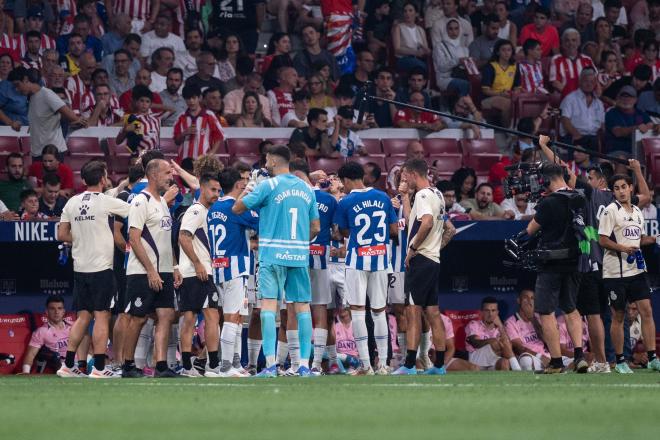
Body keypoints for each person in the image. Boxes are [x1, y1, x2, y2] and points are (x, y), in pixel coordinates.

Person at [233, 145, 320, 377]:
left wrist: (248, 187)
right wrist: (300, 243)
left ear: (272, 161)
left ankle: (270, 366)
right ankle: (303, 365)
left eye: (266, 160)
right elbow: (316, 227)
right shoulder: (306, 188)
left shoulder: (267, 185)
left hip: (272, 255)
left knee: (269, 307)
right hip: (299, 255)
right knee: (302, 308)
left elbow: (237, 208)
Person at [56, 161, 131, 378]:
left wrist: (81, 239)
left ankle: (68, 365)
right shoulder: (107, 201)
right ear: (102, 179)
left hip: (80, 268)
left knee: (83, 317)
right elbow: (137, 210)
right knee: (101, 316)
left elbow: (61, 234)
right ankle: (99, 367)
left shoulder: (71, 202)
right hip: (101, 269)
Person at [525, 146, 589, 374]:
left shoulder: (548, 202)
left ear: (545, 181)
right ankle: (579, 356)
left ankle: (556, 361)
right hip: (575, 262)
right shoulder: (580, 197)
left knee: (546, 312)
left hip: (551, 263)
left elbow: (530, 230)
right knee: (571, 308)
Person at [333, 161, 398, 375]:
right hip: (380, 259)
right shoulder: (383, 197)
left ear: (346, 180)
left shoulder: (346, 201)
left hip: (357, 260)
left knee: (358, 312)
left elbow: (342, 232)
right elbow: (393, 229)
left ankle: (365, 364)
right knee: (379, 312)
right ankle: (384, 364)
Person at [392, 159, 453, 376]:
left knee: (413, 312)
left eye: (404, 174)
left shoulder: (424, 194)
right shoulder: (435, 194)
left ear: (411, 173)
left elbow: (426, 222)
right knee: (433, 313)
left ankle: (409, 365)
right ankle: (439, 366)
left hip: (420, 260)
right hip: (433, 259)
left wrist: (412, 249)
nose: (403, 178)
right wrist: (406, 196)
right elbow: (412, 221)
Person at [122, 158, 181, 378]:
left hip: (164, 270)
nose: (170, 177)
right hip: (142, 271)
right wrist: (151, 270)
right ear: (154, 175)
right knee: (138, 317)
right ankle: (127, 365)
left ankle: (162, 365)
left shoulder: (162, 202)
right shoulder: (140, 201)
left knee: (166, 314)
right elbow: (134, 239)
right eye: (167, 173)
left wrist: (174, 266)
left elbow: (166, 239)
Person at [598, 174, 660, 373]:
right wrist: (623, 249)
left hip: (637, 270)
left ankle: (652, 358)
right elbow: (603, 240)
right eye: (616, 188)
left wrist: (653, 239)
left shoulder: (637, 212)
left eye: (624, 186)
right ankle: (620, 360)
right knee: (618, 316)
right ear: (614, 192)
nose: (621, 191)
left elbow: (638, 239)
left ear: (630, 188)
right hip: (615, 272)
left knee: (647, 311)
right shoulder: (610, 211)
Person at [289, 160, 340, 375]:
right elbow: (338, 232)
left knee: (293, 310)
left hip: (295, 258)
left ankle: (293, 365)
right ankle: (316, 365)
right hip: (320, 258)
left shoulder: (292, 197)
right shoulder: (329, 200)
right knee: (320, 310)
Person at [207, 168, 259, 376]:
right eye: (244, 182)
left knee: (235, 317)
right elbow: (260, 223)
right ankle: (226, 366)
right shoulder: (235, 208)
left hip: (219, 266)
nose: (246, 184)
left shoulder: (214, 208)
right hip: (235, 266)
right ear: (238, 185)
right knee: (231, 317)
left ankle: (235, 363)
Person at [177, 173, 222, 377]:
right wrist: (197, 264)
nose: (216, 194)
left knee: (192, 318)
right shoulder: (196, 210)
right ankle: (212, 364)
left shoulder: (205, 211)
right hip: (197, 272)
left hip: (196, 272)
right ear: (202, 189)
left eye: (219, 191)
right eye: (213, 190)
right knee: (208, 316)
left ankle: (188, 366)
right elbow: (183, 237)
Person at [11, 67, 85, 157]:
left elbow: (72, 117)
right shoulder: (31, 97)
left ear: (26, 80)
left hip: (53, 153)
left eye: (17, 85)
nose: (17, 89)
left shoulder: (47, 94)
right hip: (37, 152)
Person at [20, 295, 77, 374]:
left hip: (79, 366)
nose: (56, 312)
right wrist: (25, 371)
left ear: (64, 311)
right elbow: (31, 354)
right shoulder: (41, 331)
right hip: (62, 369)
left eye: (59, 308)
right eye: (52, 309)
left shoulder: (74, 326)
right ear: (47, 312)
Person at [464, 297, 519, 370]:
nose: (490, 314)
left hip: (493, 359)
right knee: (495, 342)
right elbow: (475, 343)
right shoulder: (474, 324)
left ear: (497, 312)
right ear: (481, 312)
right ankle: (517, 369)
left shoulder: (500, 328)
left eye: (493, 310)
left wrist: (500, 326)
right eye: (487, 311)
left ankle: (510, 379)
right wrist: (491, 341)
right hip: (477, 360)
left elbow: (509, 346)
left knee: (504, 362)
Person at [173, 84, 225, 160]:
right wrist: (184, 133)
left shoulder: (209, 115)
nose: (191, 101)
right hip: (184, 160)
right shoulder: (181, 117)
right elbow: (176, 141)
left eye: (194, 98)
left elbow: (219, 137)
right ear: (184, 99)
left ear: (200, 98)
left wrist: (210, 154)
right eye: (188, 98)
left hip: (203, 161)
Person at [559, 68, 605, 149]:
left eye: (592, 82)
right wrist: (577, 136)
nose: (589, 84)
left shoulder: (599, 103)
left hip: (593, 138)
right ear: (580, 82)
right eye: (586, 81)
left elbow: (602, 125)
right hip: (575, 137)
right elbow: (565, 120)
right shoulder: (570, 99)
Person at [505, 289, 549, 371]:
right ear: (519, 301)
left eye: (532, 298)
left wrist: (532, 318)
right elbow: (519, 348)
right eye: (526, 298)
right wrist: (540, 356)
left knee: (571, 361)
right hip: (530, 356)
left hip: (546, 354)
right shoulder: (511, 322)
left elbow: (548, 341)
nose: (529, 301)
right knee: (526, 361)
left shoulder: (539, 317)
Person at [604, 85, 655, 155]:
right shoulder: (611, 113)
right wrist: (636, 128)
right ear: (618, 98)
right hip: (618, 151)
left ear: (635, 100)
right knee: (621, 159)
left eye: (630, 97)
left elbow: (650, 125)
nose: (626, 100)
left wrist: (656, 127)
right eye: (623, 96)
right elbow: (617, 132)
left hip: (639, 152)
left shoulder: (641, 113)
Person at [481, 39, 519, 129]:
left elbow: (518, 87)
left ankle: (522, 131)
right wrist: (501, 94)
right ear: (498, 52)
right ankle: (509, 132)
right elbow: (485, 90)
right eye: (503, 50)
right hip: (489, 98)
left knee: (519, 103)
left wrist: (514, 93)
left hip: (508, 96)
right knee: (508, 104)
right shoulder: (490, 66)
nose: (507, 53)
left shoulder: (515, 67)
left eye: (509, 50)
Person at [549, 28, 597, 99]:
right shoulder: (556, 59)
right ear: (562, 43)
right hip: (565, 97)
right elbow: (555, 83)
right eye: (567, 40)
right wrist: (572, 95)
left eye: (574, 40)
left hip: (586, 97)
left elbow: (595, 80)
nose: (570, 43)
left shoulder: (587, 59)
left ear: (579, 42)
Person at [116, 85, 161, 154]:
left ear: (151, 104)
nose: (144, 104)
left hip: (154, 156)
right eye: (142, 101)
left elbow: (171, 110)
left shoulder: (156, 119)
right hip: (137, 156)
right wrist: (125, 130)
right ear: (136, 102)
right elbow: (118, 141)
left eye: (147, 101)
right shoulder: (131, 118)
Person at [432, 18, 471, 97]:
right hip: (445, 78)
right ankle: (461, 107)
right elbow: (441, 67)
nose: (454, 32)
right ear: (446, 30)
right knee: (464, 84)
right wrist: (458, 61)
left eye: (456, 28)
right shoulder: (439, 46)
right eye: (450, 29)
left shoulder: (464, 48)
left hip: (461, 76)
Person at [392, 3, 430, 72]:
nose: (407, 13)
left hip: (418, 58)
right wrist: (414, 52)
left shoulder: (421, 30)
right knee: (421, 66)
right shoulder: (398, 27)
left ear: (416, 14)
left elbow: (425, 48)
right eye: (405, 11)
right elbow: (397, 49)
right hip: (404, 59)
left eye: (410, 11)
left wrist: (426, 50)